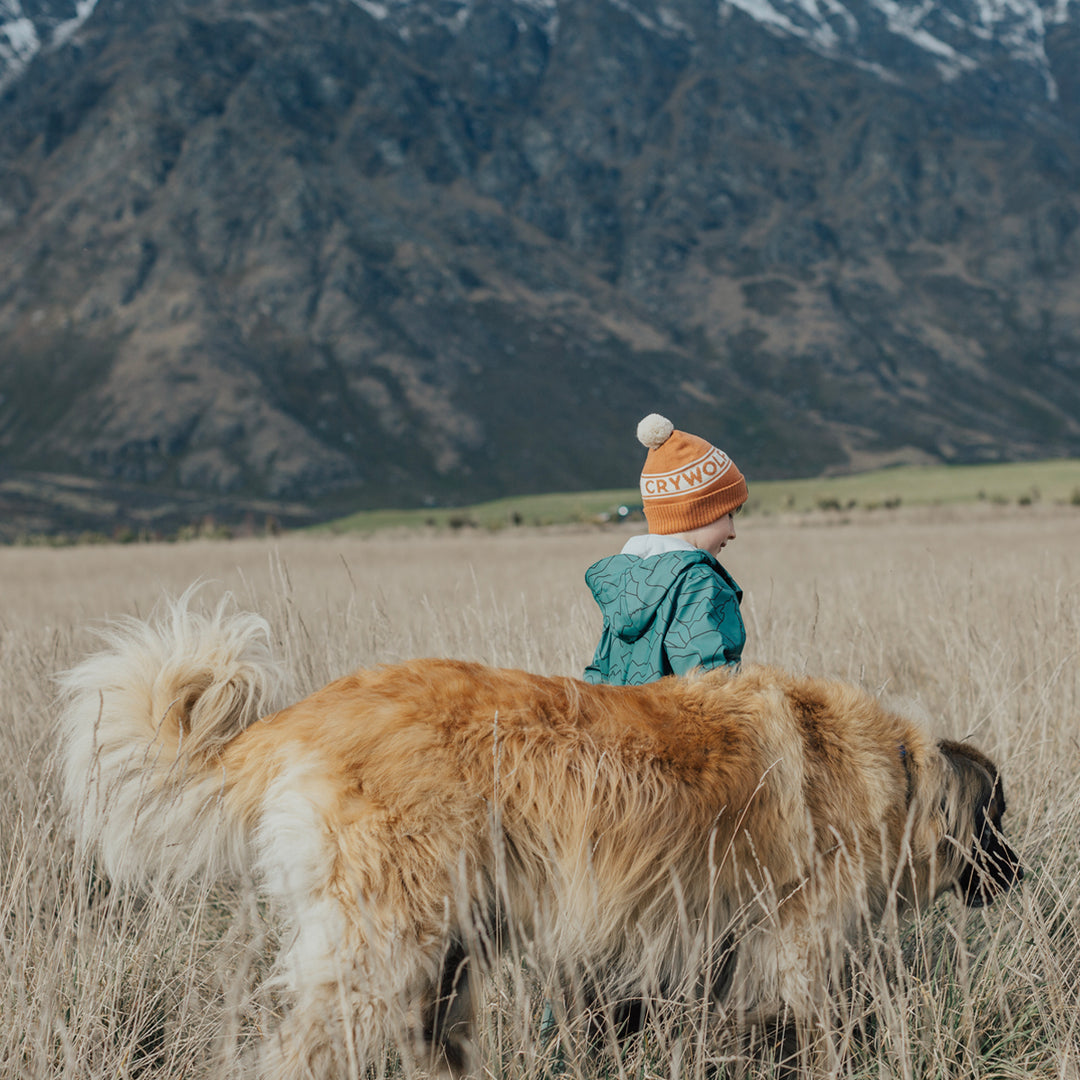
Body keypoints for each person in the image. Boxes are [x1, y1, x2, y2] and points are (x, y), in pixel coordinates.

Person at [584, 413, 747, 685]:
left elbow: (598, 679)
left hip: (623, 727)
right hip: (676, 728)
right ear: (699, 513)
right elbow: (713, 691)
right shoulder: (698, 584)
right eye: (728, 514)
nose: (732, 532)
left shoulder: (626, 584)